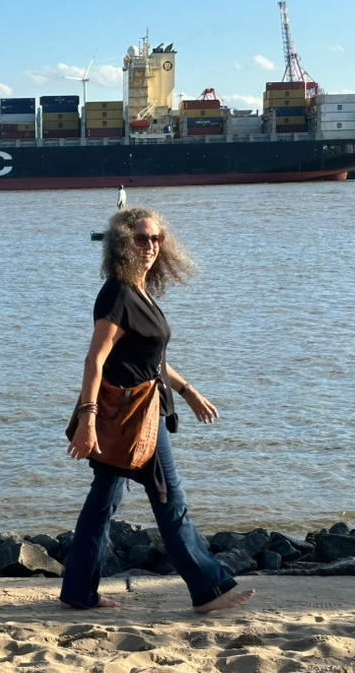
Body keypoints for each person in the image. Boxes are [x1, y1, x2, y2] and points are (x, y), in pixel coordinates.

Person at [60, 206, 254, 613]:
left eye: (156, 239)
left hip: (144, 412)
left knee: (102, 505)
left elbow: (152, 359)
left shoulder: (140, 291)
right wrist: (88, 420)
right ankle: (208, 590)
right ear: (121, 244)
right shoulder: (117, 293)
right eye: (141, 239)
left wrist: (187, 390)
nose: (150, 246)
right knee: (171, 502)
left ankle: (79, 593)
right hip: (129, 418)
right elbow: (95, 360)